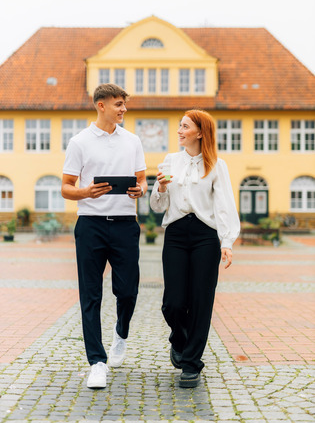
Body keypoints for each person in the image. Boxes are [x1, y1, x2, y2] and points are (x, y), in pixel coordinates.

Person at [61, 83, 147, 389]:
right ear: (101, 105)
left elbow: (141, 179)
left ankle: (120, 333)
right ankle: (97, 362)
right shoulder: (79, 142)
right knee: (91, 295)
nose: (123, 109)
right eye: (118, 104)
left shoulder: (133, 140)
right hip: (91, 225)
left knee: (128, 291)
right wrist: (86, 191)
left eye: (124, 104)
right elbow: (66, 186)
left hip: (125, 223)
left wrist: (141, 189)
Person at [150, 109, 240, 388]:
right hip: (176, 234)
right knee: (173, 302)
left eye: (185, 126)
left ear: (200, 133)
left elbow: (224, 205)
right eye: (179, 125)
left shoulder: (216, 165)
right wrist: (161, 189)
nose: (179, 130)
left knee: (201, 301)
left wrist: (227, 242)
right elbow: (157, 207)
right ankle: (179, 340)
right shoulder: (169, 161)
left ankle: (191, 363)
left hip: (205, 236)